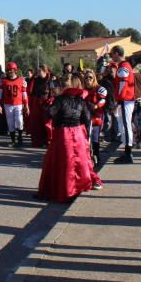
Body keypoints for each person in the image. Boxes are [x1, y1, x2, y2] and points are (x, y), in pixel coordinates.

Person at [35, 72, 102, 202]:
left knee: (62, 163)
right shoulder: (81, 101)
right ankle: (76, 188)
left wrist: (48, 105)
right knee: (80, 162)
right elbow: (87, 119)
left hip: (63, 133)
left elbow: (49, 113)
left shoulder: (60, 100)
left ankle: (62, 190)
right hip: (78, 133)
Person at [111, 46, 137, 162]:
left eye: (112, 54)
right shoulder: (124, 67)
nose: (112, 57)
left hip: (125, 100)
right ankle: (127, 151)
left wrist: (118, 101)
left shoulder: (123, 68)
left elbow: (122, 86)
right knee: (124, 125)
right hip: (126, 100)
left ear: (117, 54)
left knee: (126, 126)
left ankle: (128, 153)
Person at [0, 62, 29, 148]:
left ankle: (20, 138)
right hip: (7, 104)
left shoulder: (21, 80)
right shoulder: (3, 81)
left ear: (15, 70)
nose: (9, 71)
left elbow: (24, 94)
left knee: (19, 120)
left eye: (11, 70)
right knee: (10, 122)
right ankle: (13, 140)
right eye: (8, 70)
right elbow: (0, 94)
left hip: (18, 104)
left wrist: (26, 105)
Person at [82, 70, 108, 166]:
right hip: (85, 116)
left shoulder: (100, 89)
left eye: (90, 77)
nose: (88, 79)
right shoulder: (82, 90)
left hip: (96, 116)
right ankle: (86, 156)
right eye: (86, 78)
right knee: (85, 136)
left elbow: (102, 100)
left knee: (95, 137)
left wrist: (97, 106)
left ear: (94, 78)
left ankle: (96, 155)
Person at [27, 65, 54, 147]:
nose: (38, 73)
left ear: (45, 71)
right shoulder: (35, 80)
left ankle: (48, 140)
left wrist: (50, 100)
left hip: (46, 103)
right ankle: (38, 141)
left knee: (47, 123)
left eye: (40, 71)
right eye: (38, 71)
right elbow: (30, 91)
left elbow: (53, 93)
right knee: (36, 123)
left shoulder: (50, 81)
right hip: (36, 103)